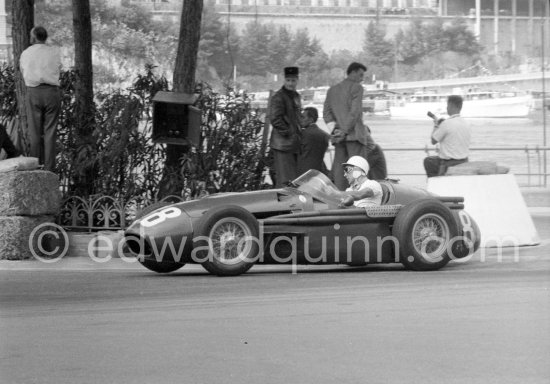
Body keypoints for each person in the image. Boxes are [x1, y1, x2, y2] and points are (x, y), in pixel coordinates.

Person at [323, 62, 385, 189]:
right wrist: (345, 131)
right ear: (353, 72)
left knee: (340, 172)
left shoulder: (332, 90)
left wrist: (336, 131)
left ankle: (340, 200)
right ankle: (357, 201)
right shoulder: (357, 88)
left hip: (339, 139)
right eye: (361, 75)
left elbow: (326, 114)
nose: (362, 79)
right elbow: (355, 113)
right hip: (355, 136)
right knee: (357, 171)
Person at [20, 26, 62, 172]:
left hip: (34, 92)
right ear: (45, 36)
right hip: (52, 92)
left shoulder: (26, 53)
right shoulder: (54, 52)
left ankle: (35, 167)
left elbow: (23, 71)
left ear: (33, 37)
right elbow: (59, 68)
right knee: (50, 131)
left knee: (34, 131)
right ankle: (49, 169)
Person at [269, 66, 302, 187]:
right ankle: (282, 205)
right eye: (288, 80)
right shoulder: (278, 97)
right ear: (284, 80)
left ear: (297, 80)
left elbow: (298, 117)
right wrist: (289, 133)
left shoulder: (296, 96)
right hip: (283, 144)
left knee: (292, 179)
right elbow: (275, 119)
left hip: (292, 144)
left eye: (293, 80)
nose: (290, 83)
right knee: (285, 180)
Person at [423, 95, 471, 178]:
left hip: (448, 164)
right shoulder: (466, 123)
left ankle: (434, 184)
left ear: (451, 105)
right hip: (464, 161)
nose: (446, 108)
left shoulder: (447, 123)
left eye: (447, 105)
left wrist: (436, 124)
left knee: (428, 161)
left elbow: (433, 141)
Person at [297, 106, 330, 175]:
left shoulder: (302, 134)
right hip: (319, 172)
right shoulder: (325, 135)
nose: (300, 120)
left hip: (301, 173)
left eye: (303, 117)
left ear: (311, 120)